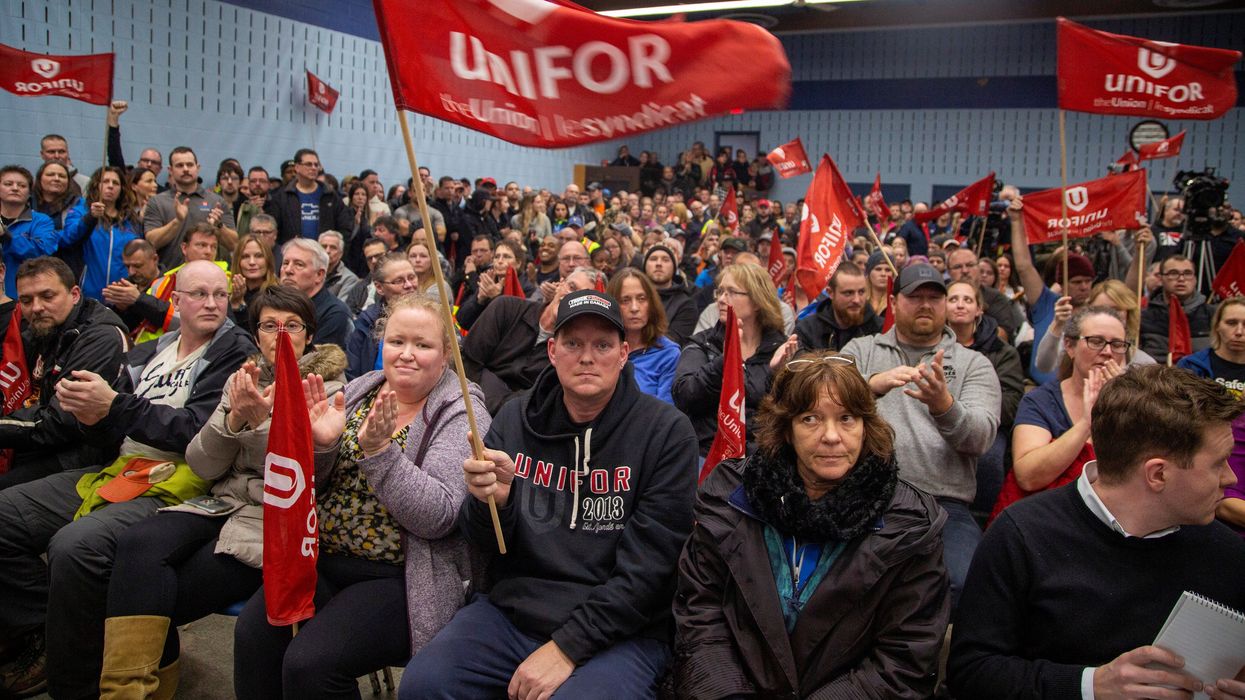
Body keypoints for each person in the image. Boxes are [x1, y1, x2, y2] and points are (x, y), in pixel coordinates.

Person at [400, 288, 697, 700]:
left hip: (623, 630)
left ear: (624, 353)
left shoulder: (666, 433)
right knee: (423, 684)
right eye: (574, 343)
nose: (587, 357)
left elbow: (650, 572)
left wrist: (567, 647)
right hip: (513, 613)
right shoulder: (515, 419)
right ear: (553, 350)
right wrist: (494, 505)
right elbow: (484, 543)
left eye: (602, 345)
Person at [0, 261, 254, 698]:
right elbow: (107, 426)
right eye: (199, 294)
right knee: (4, 515)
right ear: (177, 300)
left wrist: (113, 406)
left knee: (75, 547)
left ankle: (74, 684)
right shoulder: (152, 350)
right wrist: (89, 412)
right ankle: (55, 629)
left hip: (180, 481)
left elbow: (196, 430)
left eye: (219, 294)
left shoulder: (234, 350)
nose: (211, 303)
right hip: (117, 468)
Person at [235, 294, 487, 698]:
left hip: (402, 577)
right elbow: (306, 489)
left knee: (310, 664)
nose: (406, 354)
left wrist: (380, 453)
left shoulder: (460, 412)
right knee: (255, 635)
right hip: (323, 558)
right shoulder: (359, 391)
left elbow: (439, 516)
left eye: (423, 345)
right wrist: (319, 447)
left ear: (446, 357)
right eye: (396, 341)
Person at [99, 286, 346, 697]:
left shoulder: (329, 387)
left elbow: (310, 475)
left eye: (292, 325)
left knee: (159, 594)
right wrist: (232, 420)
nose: (280, 335)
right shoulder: (243, 378)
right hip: (220, 504)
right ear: (256, 334)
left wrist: (256, 425)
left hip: (274, 522)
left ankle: (149, 683)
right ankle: (124, 692)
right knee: (138, 543)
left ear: (309, 335)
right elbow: (202, 463)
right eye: (269, 325)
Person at [947, 365, 1245, 700]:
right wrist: (1090, 686)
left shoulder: (1227, 553)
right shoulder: (1023, 535)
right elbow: (970, 672)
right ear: (1157, 474)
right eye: (1218, 463)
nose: (1231, 479)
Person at [673, 350, 950, 698]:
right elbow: (701, 618)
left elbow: (903, 659)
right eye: (811, 419)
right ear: (787, 430)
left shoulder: (908, 526)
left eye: (847, 418)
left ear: (866, 427)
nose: (831, 436)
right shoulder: (730, 500)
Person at [841, 264, 1000, 607]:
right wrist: (869, 386)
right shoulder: (861, 350)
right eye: (915, 297)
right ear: (894, 303)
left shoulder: (975, 364)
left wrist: (944, 405)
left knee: (964, 583)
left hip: (943, 505)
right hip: (867, 494)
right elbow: (825, 403)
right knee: (845, 579)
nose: (926, 305)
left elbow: (982, 439)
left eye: (934, 297)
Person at [0, 257, 130, 490]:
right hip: (46, 443)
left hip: (86, 454)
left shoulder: (99, 337)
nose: (36, 307)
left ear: (75, 294)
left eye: (47, 296)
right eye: (27, 300)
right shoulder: (41, 331)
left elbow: (60, 422)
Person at [994, 307, 1129, 523]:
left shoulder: (1137, 404)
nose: (1107, 351)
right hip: (1047, 518)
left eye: (1117, 344)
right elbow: (1028, 476)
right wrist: (1087, 423)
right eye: (1096, 341)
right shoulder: (1041, 401)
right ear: (1069, 346)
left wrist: (1125, 402)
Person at [674, 263, 797, 458]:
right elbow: (684, 396)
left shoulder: (781, 348)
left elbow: (792, 412)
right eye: (720, 291)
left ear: (757, 301)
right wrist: (725, 362)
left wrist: (778, 375)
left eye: (731, 292)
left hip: (764, 457)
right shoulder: (703, 344)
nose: (721, 300)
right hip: (709, 456)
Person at [462, 268, 602, 413]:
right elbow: (467, 362)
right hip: (467, 404)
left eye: (580, 297)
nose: (571, 297)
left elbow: (539, 400)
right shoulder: (505, 308)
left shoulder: (571, 353)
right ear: (560, 284)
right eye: (571, 287)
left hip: (515, 423)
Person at [946, 279, 1024, 520]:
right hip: (938, 420)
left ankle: (982, 518)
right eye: (953, 299)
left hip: (988, 425)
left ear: (979, 309)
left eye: (967, 300)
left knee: (989, 458)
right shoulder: (930, 345)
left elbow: (1011, 400)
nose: (960, 305)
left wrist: (968, 409)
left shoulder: (1002, 352)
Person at [1008, 196, 1097, 384]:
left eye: (1088, 281)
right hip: (1043, 390)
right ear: (1062, 283)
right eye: (1077, 281)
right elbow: (1024, 266)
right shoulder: (1047, 302)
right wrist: (1016, 222)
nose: (1084, 286)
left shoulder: (1099, 309)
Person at [1177, 296, 1245, 538]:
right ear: (1217, 325)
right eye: (1231, 323)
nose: (1239, 332)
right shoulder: (1193, 366)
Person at [1033, 278, 1157, 375]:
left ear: (1128, 313)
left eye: (1116, 309)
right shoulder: (1076, 346)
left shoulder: (1145, 364)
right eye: (1100, 309)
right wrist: (1057, 324)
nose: (1108, 315)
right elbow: (1043, 366)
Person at [143, 146, 238, 270]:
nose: (186, 169)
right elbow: (151, 243)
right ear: (170, 170)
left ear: (197, 168)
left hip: (208, 278)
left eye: (189, 164)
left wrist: (220, 226)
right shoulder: (157, 202)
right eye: (179, 165)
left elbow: (234, 244)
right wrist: (177, 221)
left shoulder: (216, 201)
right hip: (169, 278)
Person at [60, 167, 145, 301]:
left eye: (115, 183)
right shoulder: (81, 211)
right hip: (87, 295)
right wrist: (90, 218)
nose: (110, 186)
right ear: (96, 185)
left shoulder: (132, 220)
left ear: (122, 189)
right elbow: (68, 239)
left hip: (121, 296)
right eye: (105, 181)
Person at [609, 268, 680, 404]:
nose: (635, 308)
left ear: (651, 304)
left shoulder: (668, 353)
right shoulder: (601, 348)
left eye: (641, 299)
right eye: (625, 300)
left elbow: (664, 414)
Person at [346, 253, 418, 380]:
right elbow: (353, 373)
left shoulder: (435, 318)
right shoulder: (366, 322)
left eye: (412, 277)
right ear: (379, 287)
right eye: (399, 281)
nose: (408, 285)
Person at [1140, 254, 1216, 361]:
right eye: (1173, 273)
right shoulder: (1144, 317)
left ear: (1195, 279)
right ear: (1161, 278)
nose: (1181, 279)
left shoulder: (1213, 315)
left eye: (1187, 273)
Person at [279, 238, 351, 349]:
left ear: (319, 275)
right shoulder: (273, 304)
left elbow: (318, 362)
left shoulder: (334, 313)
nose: (288, 270)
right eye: (285, 263)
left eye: (299, 264)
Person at [795, 262, 883, 352]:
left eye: (861, 292)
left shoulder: (881, 329)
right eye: (848, 293)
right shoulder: (808, 330)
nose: (857, 300)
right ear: (830, 293)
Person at [271, 148, 352, 245]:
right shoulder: (282, 197)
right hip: (292, 254)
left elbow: (344, 227)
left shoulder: (330, 195)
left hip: (323, 254)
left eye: (316, 165)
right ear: (297, 167)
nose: (313, 168)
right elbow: (274, 229)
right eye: (309, 164)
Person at [0, 165, 58, 297]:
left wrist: (6, 237)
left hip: (21, 298)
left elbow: (44, 251)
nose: (15, 188)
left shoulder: (41, 221)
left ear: (29, 192)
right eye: (8, 184)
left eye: (21, 185)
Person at [455, 239, 532, 331]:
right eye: (496, 257)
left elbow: (516, 327)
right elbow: (462, 320)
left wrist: (496, 297)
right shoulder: (488, 283)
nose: (500, 261)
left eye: (506, 257)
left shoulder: (528, 289)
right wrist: (479, 300)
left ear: (518, 263)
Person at [644, 243, 698, 346]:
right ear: (645, 266)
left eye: (665, 260)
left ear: (674, 267)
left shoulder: (686, 304)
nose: (659, 263)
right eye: (653, 259)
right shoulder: (634, 297)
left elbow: (674, 342)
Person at [227, 233, 278, 327]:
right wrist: (234, 303)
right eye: (245, 256)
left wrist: (240, 307)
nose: (252, 262)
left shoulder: (278, 296)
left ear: (268, 260)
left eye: (259, 256)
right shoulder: (227, 295)